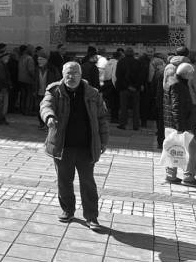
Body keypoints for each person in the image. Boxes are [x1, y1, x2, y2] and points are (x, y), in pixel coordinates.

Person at [40, 62, 109, 228]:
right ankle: (67, 210)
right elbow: (46, 105)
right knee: (64, 181)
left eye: (75, 73)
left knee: (88, 183)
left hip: (86, 146)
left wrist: (104, 140)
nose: (71, 77)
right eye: (68, 74)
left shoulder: (92, 93)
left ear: (80, 74)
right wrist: (49, 117)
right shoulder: (55, 90)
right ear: (63, 75)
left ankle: (91, 216)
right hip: (63, 146)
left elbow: (102, 118)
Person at [162, 63, 196, 187]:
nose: (192, 76)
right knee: (192, 150)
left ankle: (171, 175)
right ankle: (189, 177)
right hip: (180, 124)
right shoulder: (179, 86)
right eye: (192, 74)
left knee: (173, 148)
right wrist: (180, 127)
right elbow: (177, 106)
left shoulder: (171, 82)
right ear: (187, 74)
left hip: (171, 123)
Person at [115, 48, 143, 130]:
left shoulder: (121, 62)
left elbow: (118, 76)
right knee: (136, 108)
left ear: (125, 53)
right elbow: (140, 77)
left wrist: (127, 86)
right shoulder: (138, 62)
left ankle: (123, 124)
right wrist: (136, 86)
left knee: (123, 107)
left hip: (124, 89)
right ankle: (136, 125)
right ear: (133, 53)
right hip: (135, 89)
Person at [36, 50, 61, 130]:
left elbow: (58, 80)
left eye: (41, 59)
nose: (39, 61)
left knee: (49, 107)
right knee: (39, 108)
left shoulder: (52, 69)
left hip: (49, 93)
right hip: (39, 92)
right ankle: (41, 123)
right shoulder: (36, 69)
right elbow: (34, 80)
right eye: (38, 59)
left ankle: (48, 124)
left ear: (46, 60)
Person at [0, 50, 13, 125]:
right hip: (2, 87)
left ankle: (1, 118)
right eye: (8, 57)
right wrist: (8, 84)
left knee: (1, 104)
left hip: (0, 87)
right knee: (3, 104)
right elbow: (2, 77)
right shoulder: (1, 65)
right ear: (4, 57)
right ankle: (1, 118)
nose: (8, 58)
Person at [18, 45, 36, 115]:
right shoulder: (29, 58)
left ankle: (22, 109)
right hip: (28, 80)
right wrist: (34, 78)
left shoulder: (21, 57)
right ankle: (27, 110)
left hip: (21, 79)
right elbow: (31, 70)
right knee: (28, 96)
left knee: (23, 95)